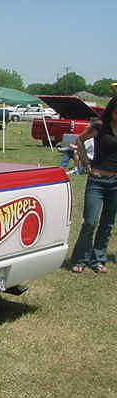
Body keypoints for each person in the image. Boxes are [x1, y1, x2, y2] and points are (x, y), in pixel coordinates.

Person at [70, 96, 117, 273]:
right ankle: (80, 259)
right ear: (112, 110)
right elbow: (79, 140)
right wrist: (85, 162)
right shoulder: (99, 126)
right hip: (97, 181)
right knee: (90, 222)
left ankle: (98, 259)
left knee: (107, 223)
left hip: (115, 183)